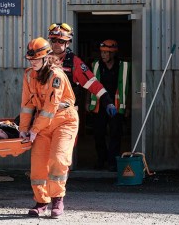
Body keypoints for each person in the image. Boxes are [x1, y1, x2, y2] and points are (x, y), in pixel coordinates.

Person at [19, 37, 79, 218]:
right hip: (43, 123)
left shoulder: (56, 76)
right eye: (31, 59)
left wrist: (34, 130)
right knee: (38, 166)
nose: (33, 62)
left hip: (64, 121)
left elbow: (51, 108)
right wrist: (23, 128)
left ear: (46, 57)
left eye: (36, 59)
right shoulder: (29, 75)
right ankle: (41, 201)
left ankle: (57, 199)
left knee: (58, 160)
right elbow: (27, 104)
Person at [47, 22, 117, 168]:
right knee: (45, 155)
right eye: (54, 40)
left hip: (65, 116)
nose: (57, 44)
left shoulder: (74, 63)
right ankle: (46, 187)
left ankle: (58, 186)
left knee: (61, 155)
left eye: (61, 41)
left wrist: (107, 101)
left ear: (67, 43)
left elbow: (93, 83)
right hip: (45, 115)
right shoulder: (43, 60)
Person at [87, 39, 131, 171]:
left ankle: (112, 162)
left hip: (116, 106)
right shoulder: (95, 65)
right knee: (98, 134)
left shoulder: (123, 66)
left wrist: (128, 106)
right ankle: (101, 159)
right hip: (100, 106)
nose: (103, 55)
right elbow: (88, 85)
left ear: (113, 54)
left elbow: (129, 87)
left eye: (106, 52)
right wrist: (87, 102)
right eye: (102, 52)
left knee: (115, 134)